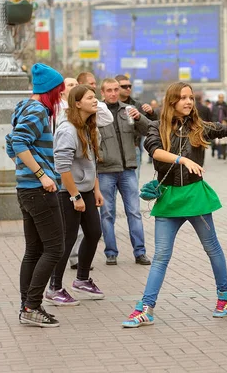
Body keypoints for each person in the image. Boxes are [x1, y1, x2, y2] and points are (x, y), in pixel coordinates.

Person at [121, 82, 227, 328]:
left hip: (195, 196)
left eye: (190, 97)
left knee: (212, 248)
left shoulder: (199, 127)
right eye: (182, 98)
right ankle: (146, 308)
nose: (188, 102)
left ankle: (224, 296)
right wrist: (181, 159)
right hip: (169, 198)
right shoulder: (156, 127)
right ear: (172, 102)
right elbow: (155, 152)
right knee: (161, 256)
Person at [5, 63, 65, 328]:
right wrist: (42, 174)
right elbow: (18, 142)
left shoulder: (22, 107)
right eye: (59, 92)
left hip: (26, 189)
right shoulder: (38, 109)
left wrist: (24, 168)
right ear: (49, 90)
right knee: (54, 248)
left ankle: (27, 305)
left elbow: (11, 143)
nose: (61, 97)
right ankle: (32, 306)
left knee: (34, 250)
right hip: (39, 190)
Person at [47, 84, 106, 306]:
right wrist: (74, 196)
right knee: (66, 240)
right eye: (91, 97)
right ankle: (54, 288)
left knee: (94, 232)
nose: (95, 101)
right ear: (77, 103)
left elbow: (92, 162)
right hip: (68, 193)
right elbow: (62, 167)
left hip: (87, 191)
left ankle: (81, 279)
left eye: (95, 97)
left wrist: (96, 189)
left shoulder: (89, 127)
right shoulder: (67, 130)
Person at [98, 78, 152, 266]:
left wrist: (140, 117)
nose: (113, 93)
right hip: (105, 170)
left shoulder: (127, 110)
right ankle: (111, 253)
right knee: (107, 214)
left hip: (128, 169)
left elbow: (148, 129)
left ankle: (140, 252)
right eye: (109, 90)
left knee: (134, 212)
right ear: (102, 92)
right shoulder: (96, 112)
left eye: (116, 89)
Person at [115, 74, 158, 179]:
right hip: (113, 150)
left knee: (132, 187)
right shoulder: (107, 105)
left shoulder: (137, 105)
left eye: (129, 86)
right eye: (124, 86)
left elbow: (151, 126)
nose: (128, 88)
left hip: (133, 148)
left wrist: (151, 113)